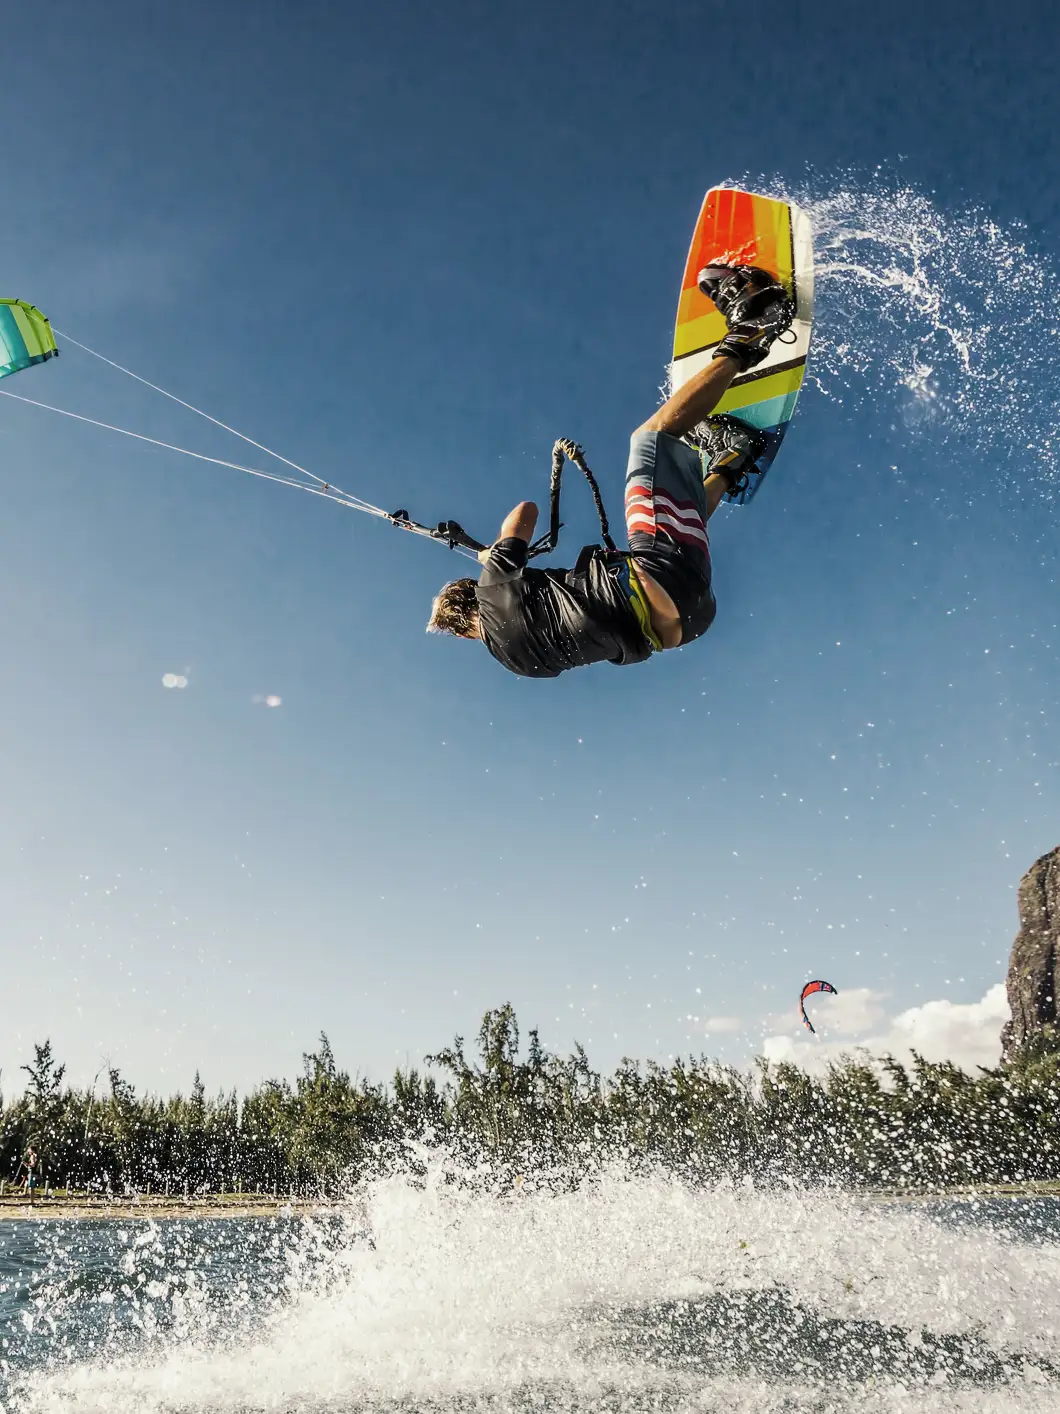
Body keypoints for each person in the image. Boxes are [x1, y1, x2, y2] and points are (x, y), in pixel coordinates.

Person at [427, 265, 795, 678]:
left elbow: (571, 622)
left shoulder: (521, 664)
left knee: (663, 524)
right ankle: (751, 329)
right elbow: (525, 515)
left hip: (688, 622)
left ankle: (732, 461)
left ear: (463, 636)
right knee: (651, 439)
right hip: (660, 575)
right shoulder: (493, 591)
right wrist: (496, 555)